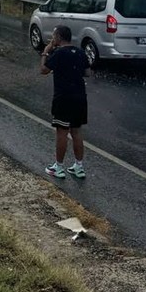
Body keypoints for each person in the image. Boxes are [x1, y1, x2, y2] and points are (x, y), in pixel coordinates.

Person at [40, 24, 89, 179]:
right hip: (80, 97)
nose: (52, 39)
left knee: (62, 131)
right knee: (77, 130)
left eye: (54, 36)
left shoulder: (58, 53)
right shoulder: (80, 52)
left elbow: (44, 70)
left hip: (63, 97)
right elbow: (87, 72)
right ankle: (79, 166)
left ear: (59, 38)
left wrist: (45, 52)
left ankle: (58, 167)